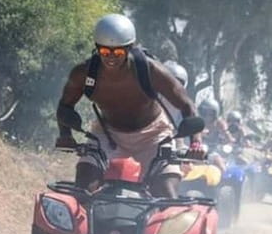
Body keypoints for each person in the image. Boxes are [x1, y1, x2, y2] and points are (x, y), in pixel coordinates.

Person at [56, 14, 203, 198]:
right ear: (97, 48)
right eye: (105, 52)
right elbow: (65, 106)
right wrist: (65, 135)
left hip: (154, 135)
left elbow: (186, 105)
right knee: (83, 190)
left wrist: (196, 142)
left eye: (118, 53)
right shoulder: (83, 73)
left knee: (166, 194)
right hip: (107, 135)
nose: (110, 58)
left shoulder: (150, 70)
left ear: (129, 48)